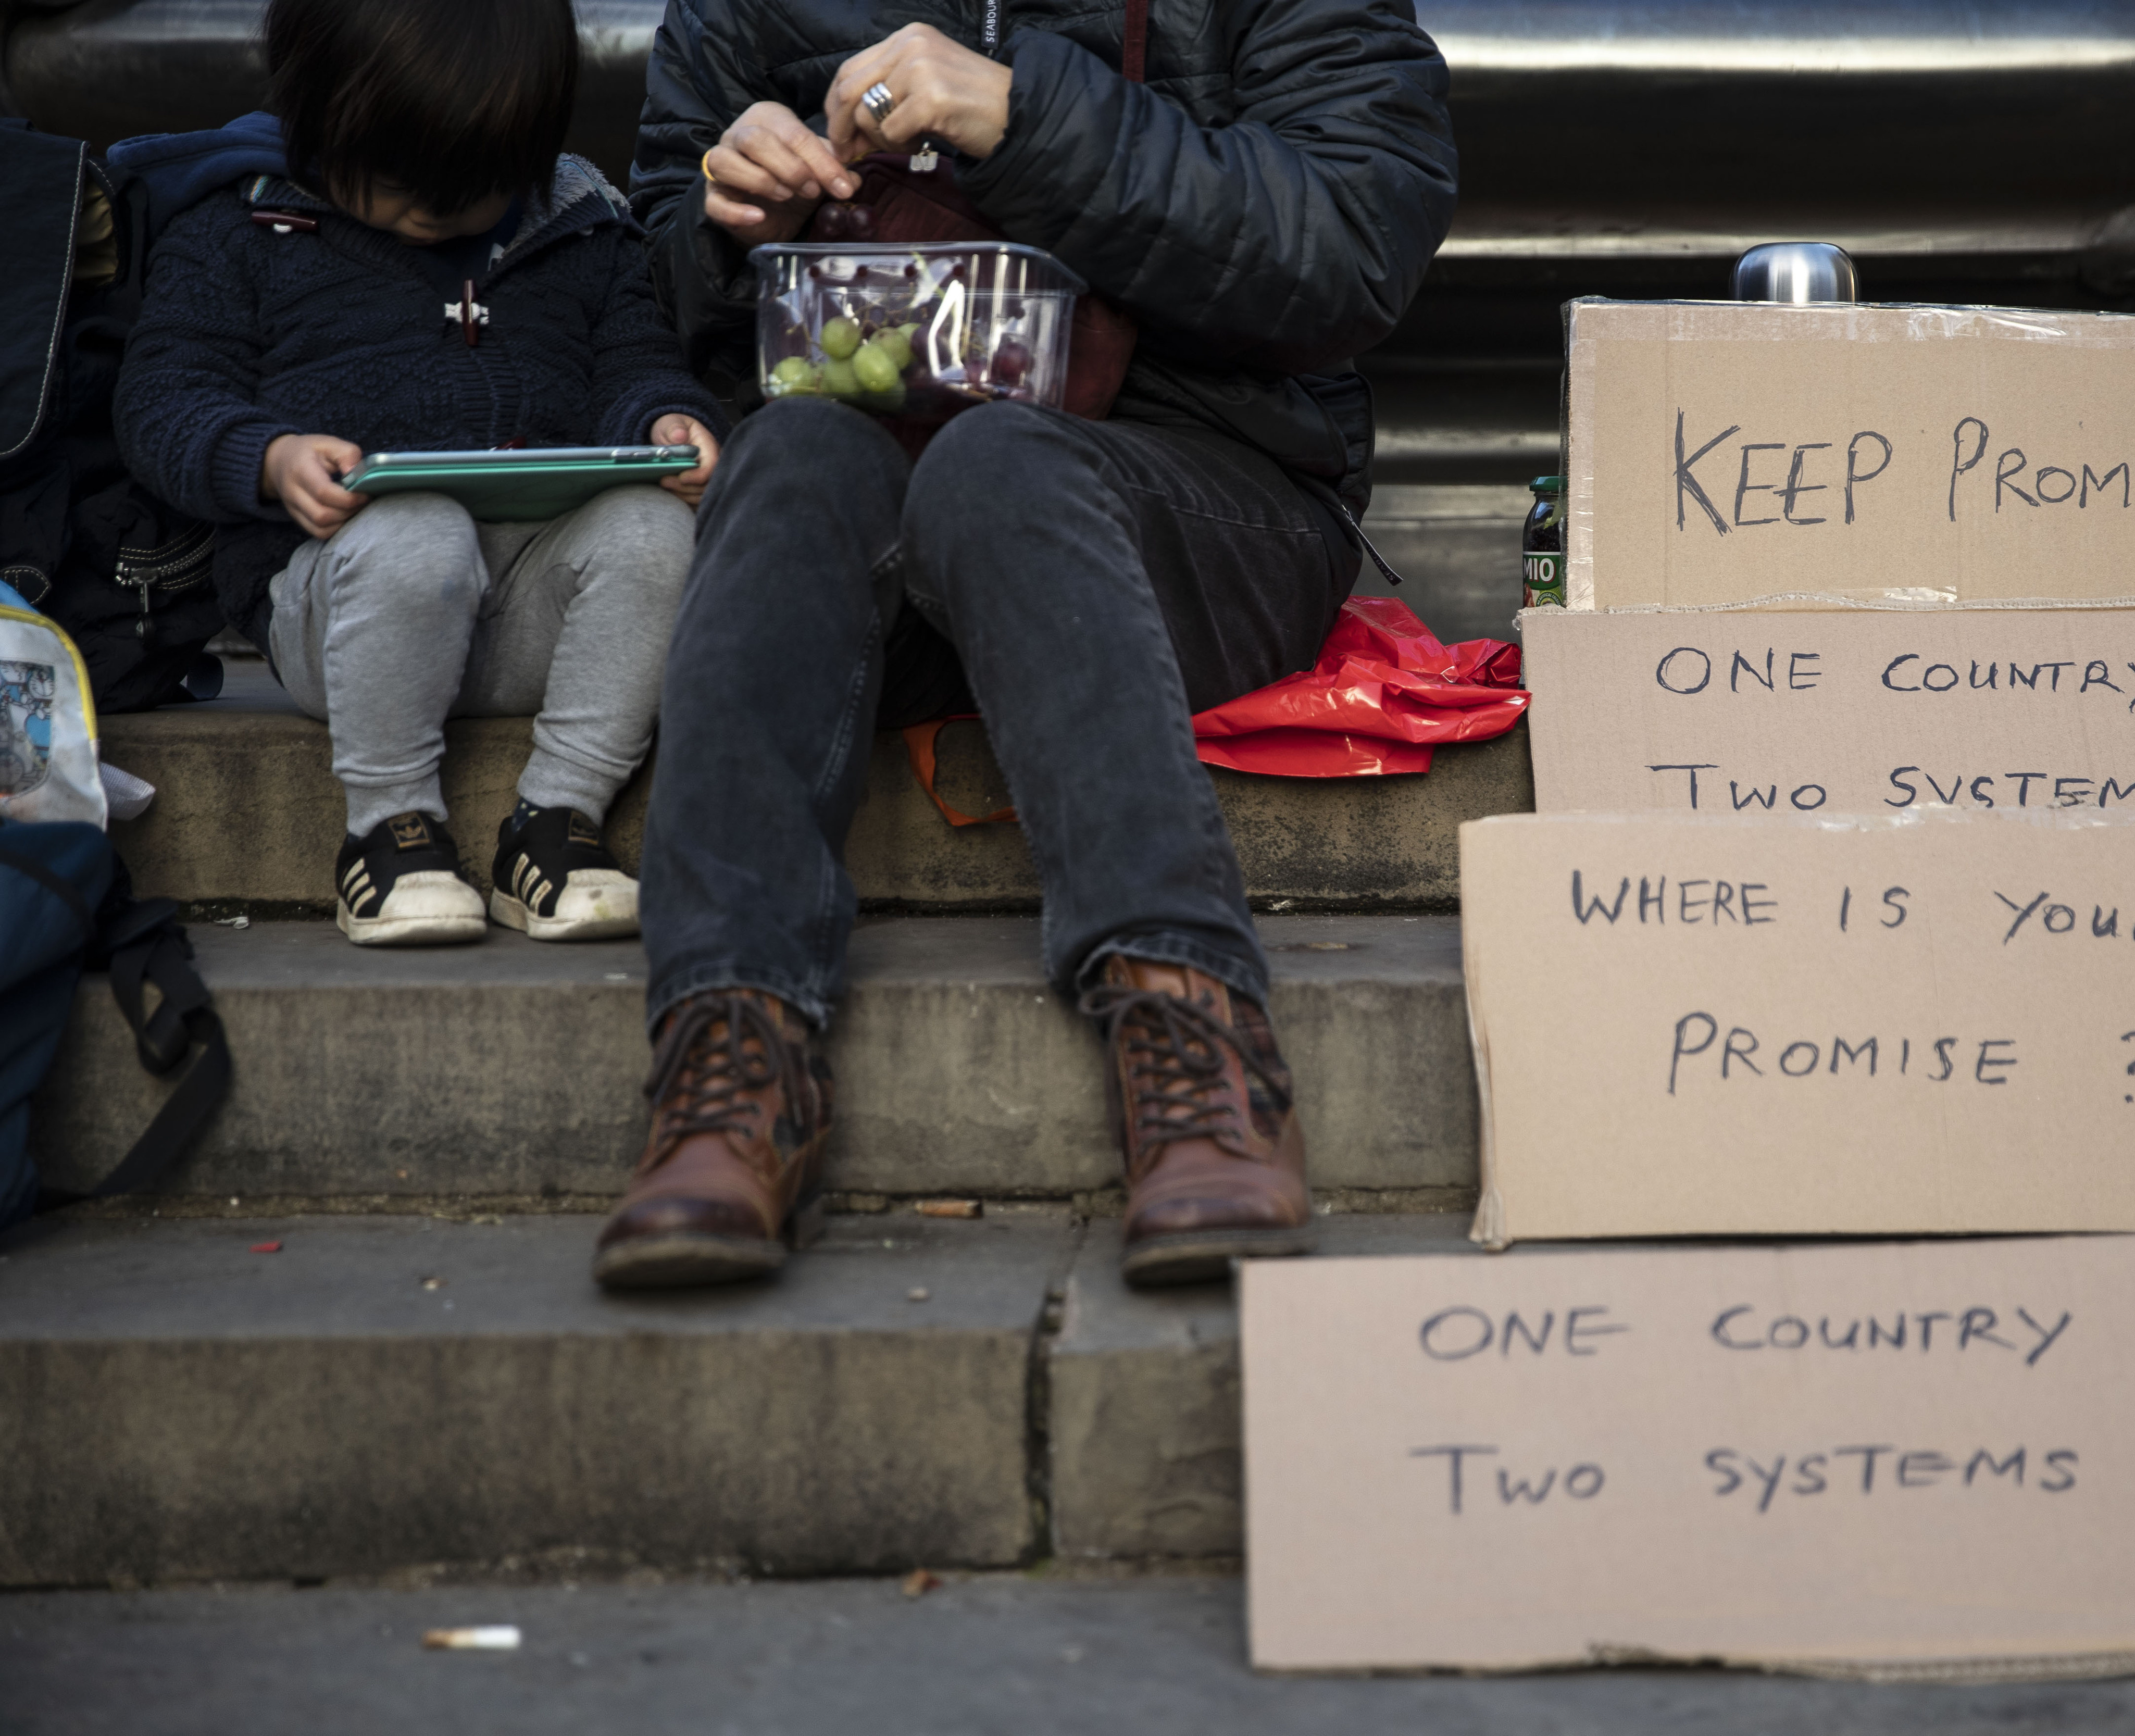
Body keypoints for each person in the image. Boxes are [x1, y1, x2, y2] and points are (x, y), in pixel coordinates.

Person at [597, 0, 1455, 1289]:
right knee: (786, 457)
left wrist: (1026, 119)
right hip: (860, 494)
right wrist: (732, 226)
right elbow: (647, 269)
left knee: (995, 467)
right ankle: (732, 1049)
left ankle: (1192, 1022)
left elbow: (1350, 241)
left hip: (1198, 497)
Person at [115, 0, 726, 947]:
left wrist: (664, 421)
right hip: (345, 605)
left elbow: (636, 360)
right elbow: (161, 397)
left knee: (657, 531)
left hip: (534, 608)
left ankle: (557, 823)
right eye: (399, 181)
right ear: (320, 120)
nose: (433, 212)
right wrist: (267, 458)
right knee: (418, 526)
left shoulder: (582, 224)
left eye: (476, 185)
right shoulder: (238, 225)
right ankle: (390, 830)